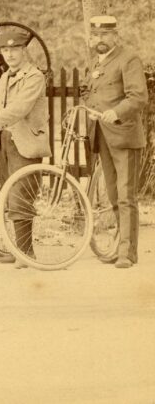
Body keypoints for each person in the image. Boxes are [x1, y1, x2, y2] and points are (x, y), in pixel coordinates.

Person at [0, 28, 50, 267]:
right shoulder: (6, 76)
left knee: (20, 197)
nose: (10, 55)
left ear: (24, 50)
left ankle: (26, 253)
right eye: (5, 50)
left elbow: (19, 109)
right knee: (9, 196)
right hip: (4, 142)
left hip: (26, 143)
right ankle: (19, 250)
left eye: (14, 50)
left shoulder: (34, 77)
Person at [82, 15, 148, 268]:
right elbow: (90, 92)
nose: (100, 39)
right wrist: (88, 108)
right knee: (112, 194)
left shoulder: (128, 59)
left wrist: (116, 112)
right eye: (96, 35)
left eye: (105, 35)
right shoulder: (95, 63)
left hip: (123, 135)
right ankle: (121, 245)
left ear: (115, 36)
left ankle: (127, 254)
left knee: (125, 195)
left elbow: (138, 97)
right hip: (102, 135)